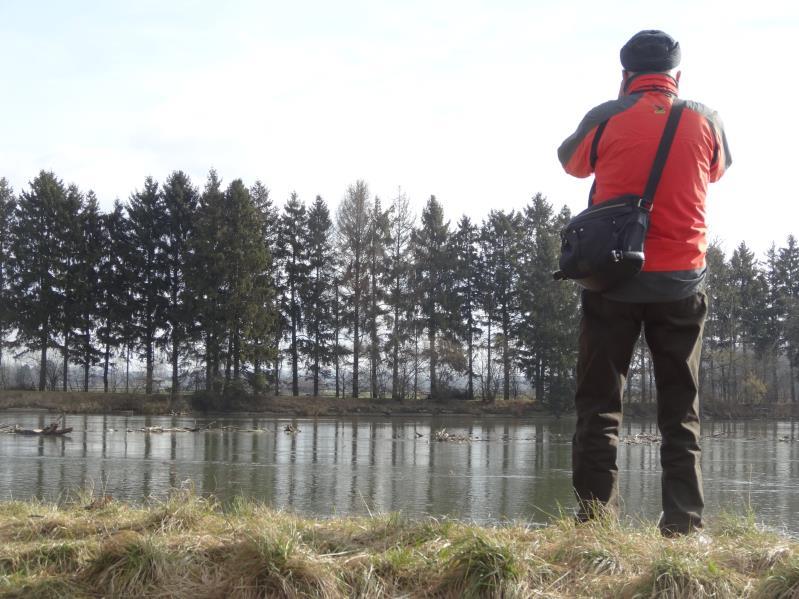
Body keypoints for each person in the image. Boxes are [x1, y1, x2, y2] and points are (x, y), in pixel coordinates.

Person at [556, 30, 731, 536]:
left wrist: (620, 111)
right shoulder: (705, 119)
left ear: (625, 74)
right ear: (677, 75)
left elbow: (571, 163)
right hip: (681, 284)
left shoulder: (606, 116)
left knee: (598, 406)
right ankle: (683, 527)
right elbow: (718, 171)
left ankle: (594, 526)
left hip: (611, 282)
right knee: (681, 413)